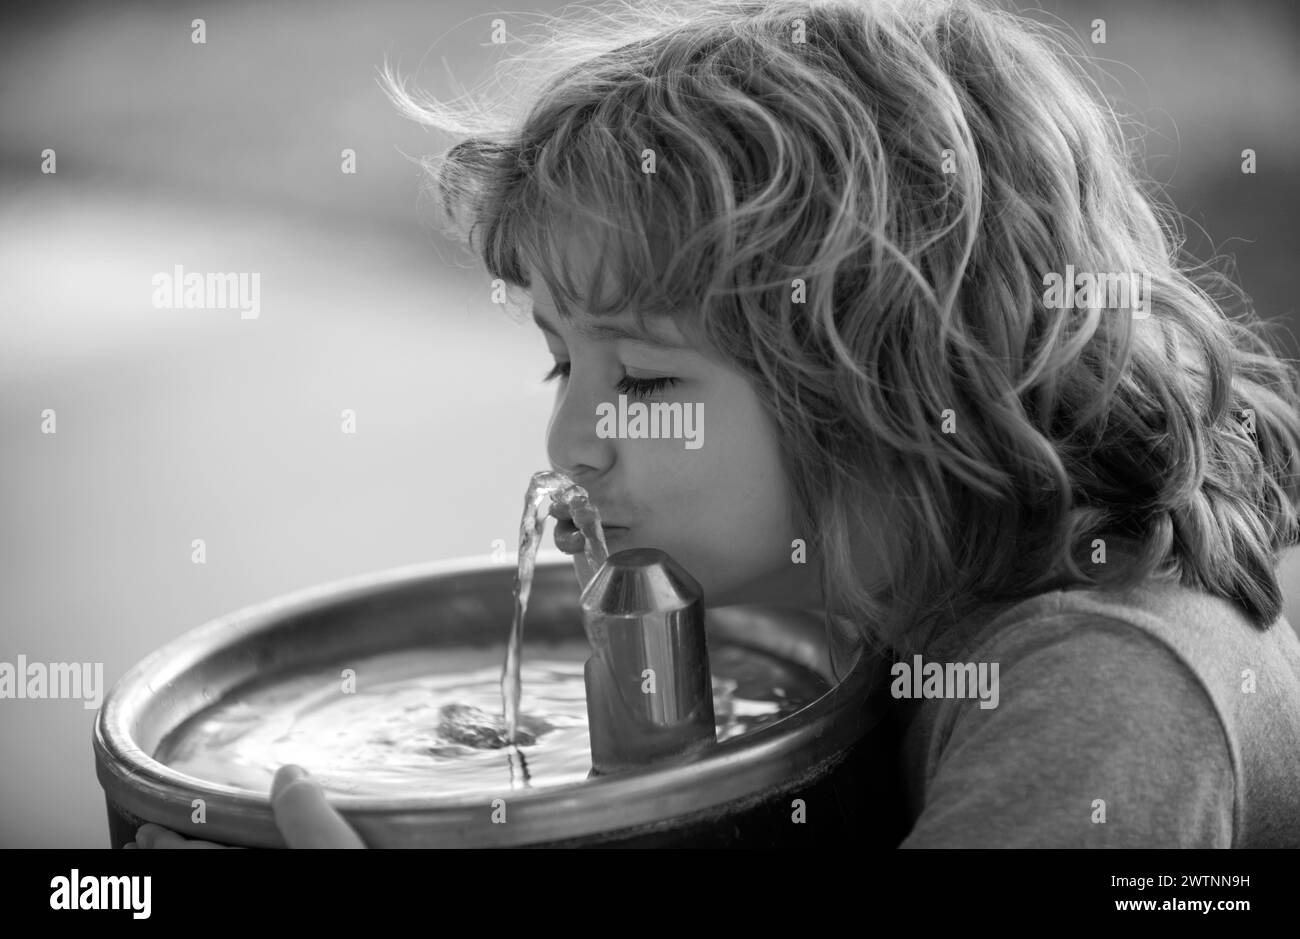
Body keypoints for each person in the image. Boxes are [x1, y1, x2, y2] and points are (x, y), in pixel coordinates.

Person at [139, 0, 1300, 848]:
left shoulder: (1105, 695)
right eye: (561, 366)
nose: (569, 447)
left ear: (880, 391)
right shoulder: (905, 606)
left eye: (642, 384)